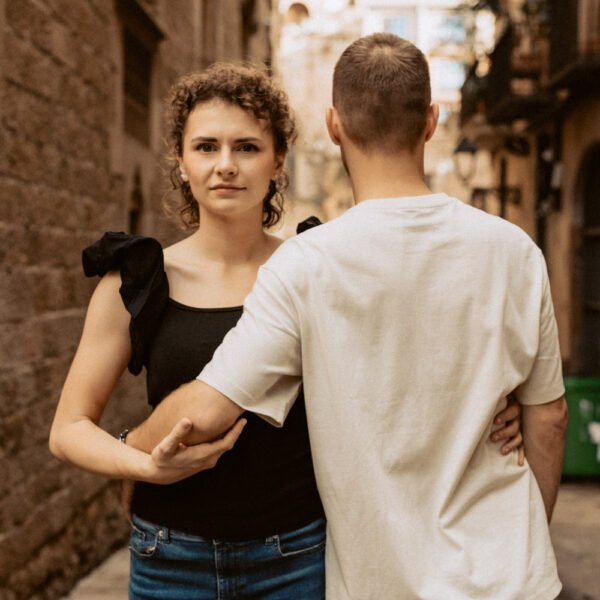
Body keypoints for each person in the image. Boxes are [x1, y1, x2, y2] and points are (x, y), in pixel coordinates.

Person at [50, 60, 523, 599]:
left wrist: (496, 408)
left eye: (247, 148)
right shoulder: (135, 279)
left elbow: (402, 366)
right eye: (206, 147)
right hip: (168, 556)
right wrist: (141, 465)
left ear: (278, 162)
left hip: (294, 557)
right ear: (180, 162)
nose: (225, 165)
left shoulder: (319, 266)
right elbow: (68, 430)